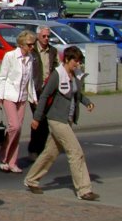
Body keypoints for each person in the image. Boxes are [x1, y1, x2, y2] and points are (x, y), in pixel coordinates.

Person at [24, 46, 98, 200]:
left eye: (79, 61)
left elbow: (77, 94)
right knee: (75, 152)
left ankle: (31, 180)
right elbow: (44, 96)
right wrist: (37, 118)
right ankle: (84, 189)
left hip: (68, 120)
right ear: (66, 60)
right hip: (56, 120)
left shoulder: (75, 75)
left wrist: (87, 102)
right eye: (75, 61)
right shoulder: (57, 75)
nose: (77, 64)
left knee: (50, 153)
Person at [0, 29, 37, 172]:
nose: (32, 47)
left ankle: (12, 162)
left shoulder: (30, 58)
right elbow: (2, 77)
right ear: (22, 44)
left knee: (18, 131)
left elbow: (29, 80)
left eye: (33, 44)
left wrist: (33, 98)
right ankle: (3, 155)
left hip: (22, 97)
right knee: (14, 126)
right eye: (30, 45)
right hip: (9, 96)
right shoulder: (10, 56)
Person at [28, 25, 55, 158]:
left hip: (48, 90)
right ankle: (34, 149)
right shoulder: (32, 51)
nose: (46, 39)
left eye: (48, 36)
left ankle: (40, 149)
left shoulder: (52, 51)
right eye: (44, 36)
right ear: (38, 36)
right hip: (35, 90)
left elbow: (55, 67)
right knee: (38, 118)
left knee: (44, 121)